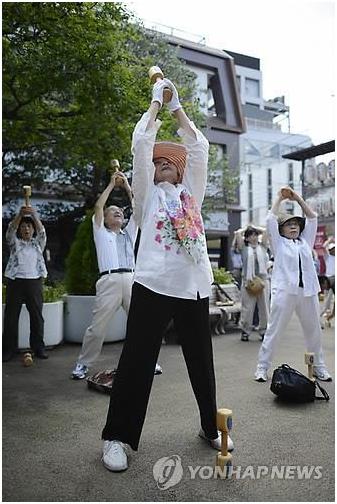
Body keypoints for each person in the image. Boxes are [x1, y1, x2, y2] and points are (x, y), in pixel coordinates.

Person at [101, 77, 233, 472]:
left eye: (166, 165)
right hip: (152, 284)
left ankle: (211, 427)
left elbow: (199, 146)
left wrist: (178, 107)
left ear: (180, 172)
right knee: (137, 360)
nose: (160, 168)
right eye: (157, 164)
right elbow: (141, 146)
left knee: (201, 360)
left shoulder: (192, 192)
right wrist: (157, 103)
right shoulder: (145, 196)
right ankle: (117, 438)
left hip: (192, 286)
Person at [71, 172, 162, 379]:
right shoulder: (100, 232)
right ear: (105, 218)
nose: (118, 212)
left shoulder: (129, 233)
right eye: (113, 211)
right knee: (97, 328)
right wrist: (112, 184)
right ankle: (83, 364)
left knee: (141, 324)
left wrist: (128, 186)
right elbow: (97, 207)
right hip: (109, 281)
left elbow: (137, 207)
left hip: (131, 280)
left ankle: (149, 361)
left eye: (120, 211)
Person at [254, 187, 332, 383]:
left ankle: (319, 367)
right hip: (284, 291)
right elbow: (270, 220)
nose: (294, 227)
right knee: (274, 330)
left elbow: (312, 217)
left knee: (314, 330)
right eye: (289, 225)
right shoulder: (278, 244)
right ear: (281, 230)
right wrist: (280, 198)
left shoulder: (305, 242)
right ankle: (262, 368)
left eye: (296, 224)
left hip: (308, 292)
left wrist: (297, 198)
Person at [3, 206, 48, 362]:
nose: (26, 229)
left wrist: (34, 215)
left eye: (28, 226)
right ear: (20, 230)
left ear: (32, 229)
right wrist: (20, 215)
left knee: (37, 317)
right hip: (15, 282)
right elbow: (9, 232)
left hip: (34, 282)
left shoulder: (38, 244)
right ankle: (8, 350)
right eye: (23, 227)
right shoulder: (15, 243)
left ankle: (38, 348)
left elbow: (42, 232)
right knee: (10, 317)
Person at [234, 225, 269, 341]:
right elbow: (237, 233)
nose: (254, 237)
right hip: (248, 281)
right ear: (247, 238)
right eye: (251, 235)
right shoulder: (243, 248)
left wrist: (254, 227)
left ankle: (264, 331)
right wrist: (246, 229)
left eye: (255, 235)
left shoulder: (263, 246)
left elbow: (266, 231)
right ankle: (245, 331)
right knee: (247, 308)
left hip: (263, 280)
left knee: (264, 308)